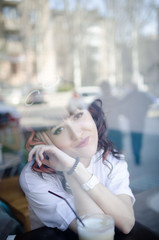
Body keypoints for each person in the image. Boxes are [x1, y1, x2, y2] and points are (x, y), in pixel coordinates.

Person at [19, 99, 135, 234]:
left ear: (91, 114)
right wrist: (70, 170)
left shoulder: (109, 158)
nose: (76, 134)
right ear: (44, 141)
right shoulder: (35, 177)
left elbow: (127, 223)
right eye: (59, 129)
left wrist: (76, 168)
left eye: (77, 116)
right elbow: (96, 232)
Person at [120, 83, 152, 165]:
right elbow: (150, 101)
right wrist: (145, 110)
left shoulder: (130, 95)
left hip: (133, 120)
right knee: (139, 138)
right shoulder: (141, 95)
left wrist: (126, 113)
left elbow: (121, 103)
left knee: (134, 138)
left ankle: (136, 154)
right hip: (139, 119)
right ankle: (137, 154)